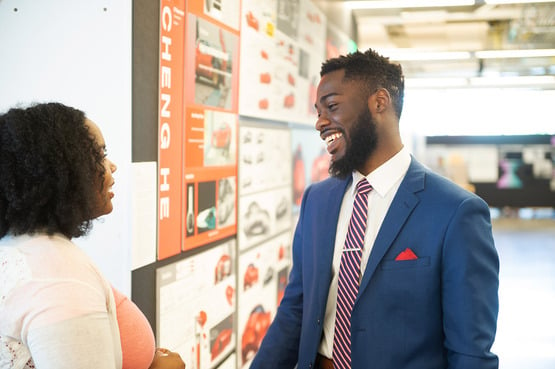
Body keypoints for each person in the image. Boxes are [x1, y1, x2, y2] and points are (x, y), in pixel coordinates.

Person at [250, 49, 499, 369]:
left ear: (379, 103)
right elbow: (295, 310)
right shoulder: (317, 201)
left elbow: (470, 353)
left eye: (332, 106)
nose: (320, 122)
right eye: (317, 111)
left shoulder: (456, 212)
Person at [0, 102, 185, 369]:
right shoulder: (57, 276)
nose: (112, 166)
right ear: (63, 170)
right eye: (99, 154)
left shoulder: (24, 248)